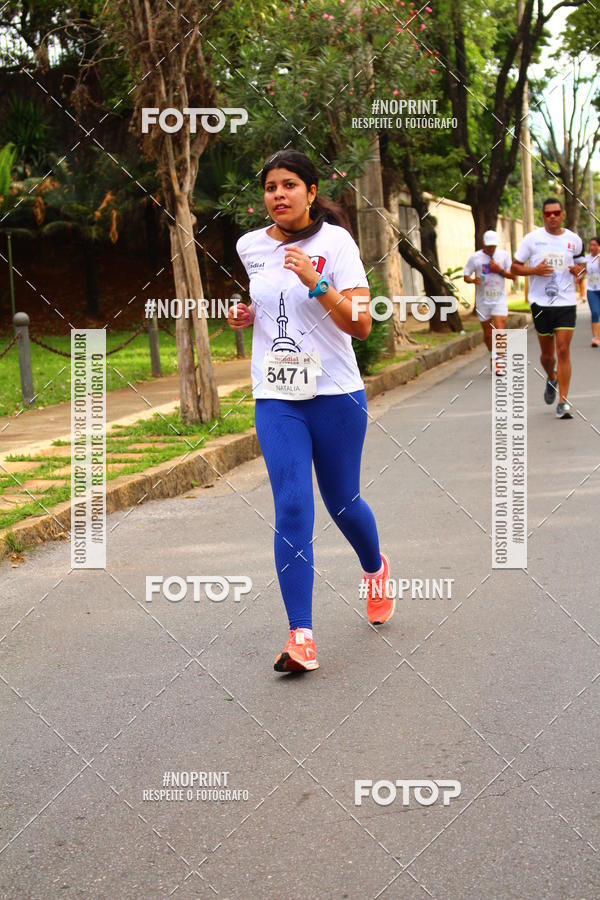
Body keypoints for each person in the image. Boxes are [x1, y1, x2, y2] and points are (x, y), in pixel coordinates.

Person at [228, 149, 393, 674]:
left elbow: (361, 326)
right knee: (293, 506)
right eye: (271, 186)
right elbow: (271, 306)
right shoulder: (250, 245)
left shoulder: (336, 243)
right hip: (276, 395)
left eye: (290, 184)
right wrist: (248, 313)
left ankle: (375, 567)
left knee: (342, 502)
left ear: (311, 192)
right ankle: (301, 636)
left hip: (336, 392)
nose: (278, 194)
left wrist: (316, 283)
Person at [511, 198, 586, 419]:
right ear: (543, 216)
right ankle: (551, 377)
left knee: (563, 349)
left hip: (565, 302)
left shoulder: (574, 240)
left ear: (562, 215)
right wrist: (534, 270)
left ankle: (563, 402)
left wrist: (578, 272)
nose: (552, 216)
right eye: (547, 214)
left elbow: (582, 270)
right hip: (540, 302)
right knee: (547, 355)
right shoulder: (532, 239)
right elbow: (514, 267)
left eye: (556, 213)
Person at [463, 230, 515, 374]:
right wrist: (473, 280)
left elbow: (513, 275)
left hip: (499, 298)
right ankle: (493, 354)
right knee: (488, 334)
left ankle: (500, 361)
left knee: (499, 329)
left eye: (494, 246)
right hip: (483, 300)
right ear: (483, 243)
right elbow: (466, 275)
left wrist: (499, 270)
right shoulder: (475, 258)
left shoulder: (503, 256)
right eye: (489, 245)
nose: (492, 248)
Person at [584, 236, 600, 347]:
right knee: (595, 313)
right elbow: (582, 271)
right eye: (591, 245)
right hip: (592, 290)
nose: (592, 247)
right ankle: (595, 338)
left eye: (594, 245)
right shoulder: (586, 258)